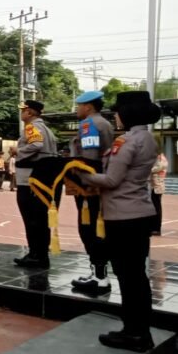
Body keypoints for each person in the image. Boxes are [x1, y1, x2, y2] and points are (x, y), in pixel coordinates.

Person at [79, 91, 161, 352]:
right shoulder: (148, 138)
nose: (115, 116)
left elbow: (112, 180)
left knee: (128, 276)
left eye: (118, 112)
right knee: (137, 276)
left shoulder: (126, 141)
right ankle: (140, 331)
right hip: (141, 213)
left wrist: (81, 174)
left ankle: (133, 333)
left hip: (123, 216)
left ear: (128, 114)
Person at [69, 90, 115, 295]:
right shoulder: (105, 123)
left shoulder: (89, 124)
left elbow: (89, 159)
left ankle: (99, 276)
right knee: (96, 230)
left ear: (88, 106)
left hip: (88, 187)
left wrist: (84, 181)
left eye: (79, 106)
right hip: (98, 184)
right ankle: (98, 272)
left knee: (89, 230)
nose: (77, 109)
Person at [14, 100, 59, 268]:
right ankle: (40, 254)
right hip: (43, 181)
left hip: (29, 181)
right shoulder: (47, 130)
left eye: (23, 111)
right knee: (40, 220)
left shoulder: (31, 127)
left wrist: (18, 151)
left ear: (30, 113)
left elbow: (36, 144)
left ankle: (36, 254)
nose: (22, 113)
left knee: (31, 219)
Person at [150, 150, 168, 236]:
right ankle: (153, 227)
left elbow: (158, 167)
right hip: (154, 186)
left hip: (158, 187)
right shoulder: (157, 157)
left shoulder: (161, 158)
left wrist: (148, 169)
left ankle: (157, 228)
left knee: (157, 208)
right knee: (153, 208)